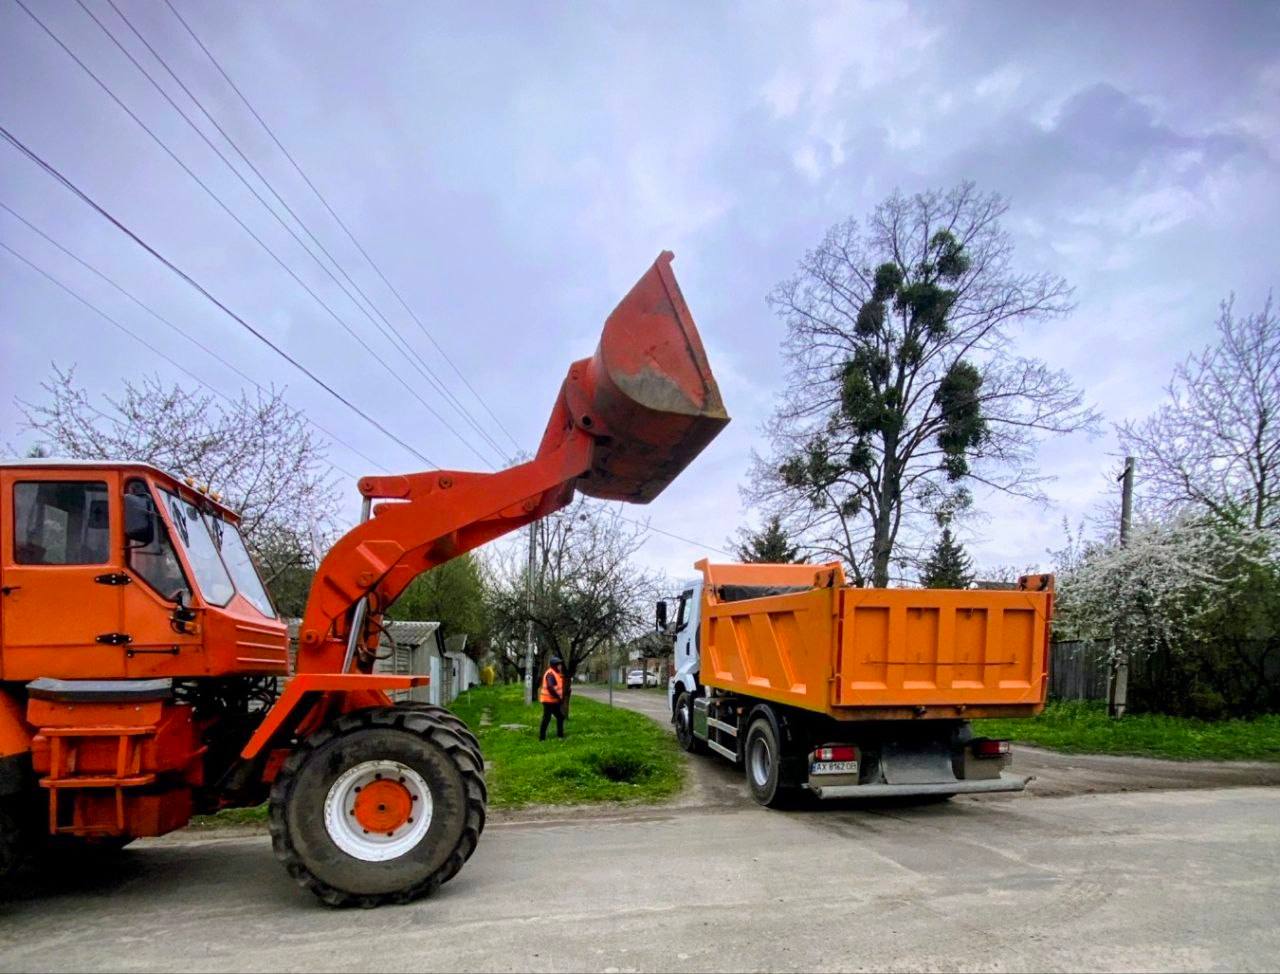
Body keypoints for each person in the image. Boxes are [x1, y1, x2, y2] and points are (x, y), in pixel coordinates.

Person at [538, 656, 568, 740]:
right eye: (559, 665)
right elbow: (550, 688)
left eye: (560, 665)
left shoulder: (556, 674)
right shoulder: (551, 674)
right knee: (547, 718)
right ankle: (542, 738)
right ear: (554, 665)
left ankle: (560, 735)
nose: (560, 666)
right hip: (548, 700)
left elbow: (556, 688)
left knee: (560, 717)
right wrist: (558, 698)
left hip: (553, 700)